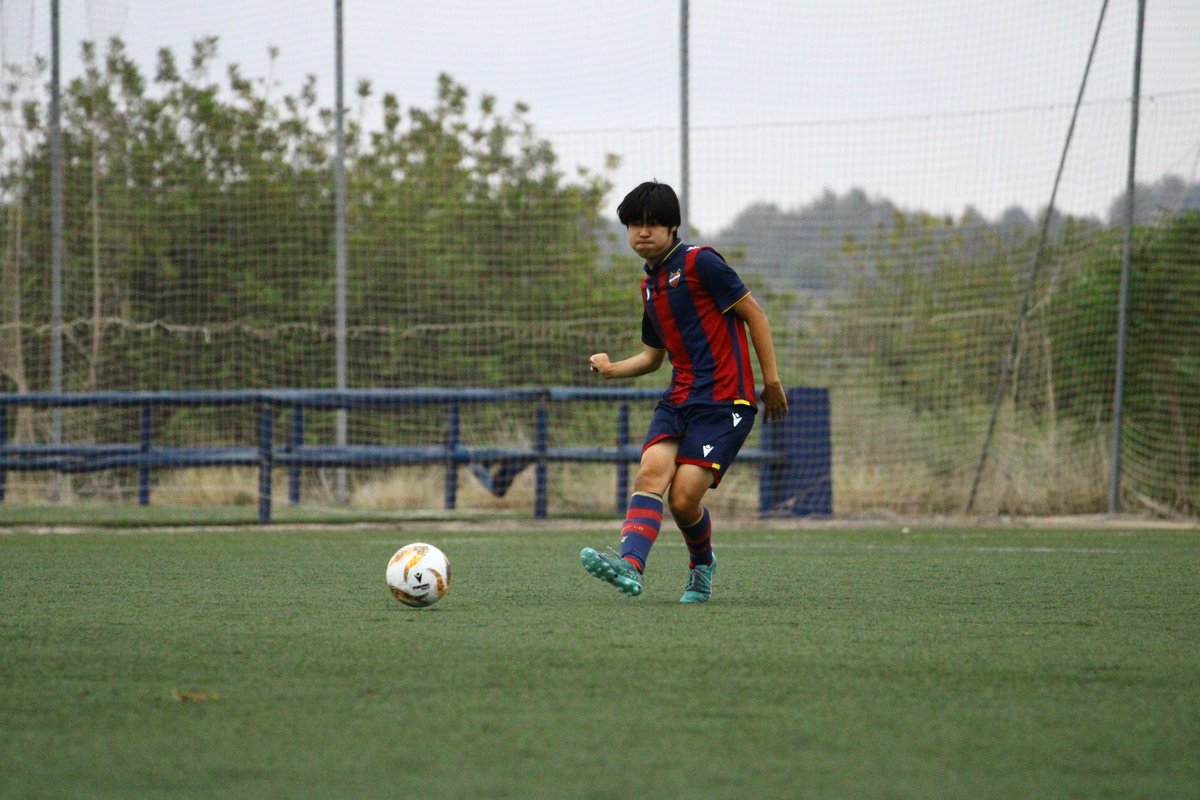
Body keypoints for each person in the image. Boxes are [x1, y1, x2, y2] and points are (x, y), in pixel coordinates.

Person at [580, 180, 788, 603]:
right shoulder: (649, 286)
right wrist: (610, 369)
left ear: (673, 227)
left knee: (683, 499)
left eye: (653, 224)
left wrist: (772, 381)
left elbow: (756, 316)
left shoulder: (702, 262)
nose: (642, 232)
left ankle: (702, 564)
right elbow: (653, 358)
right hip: (679, 399)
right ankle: (630, 566)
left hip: (726, 401)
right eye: (634, 224)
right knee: (650, 473)